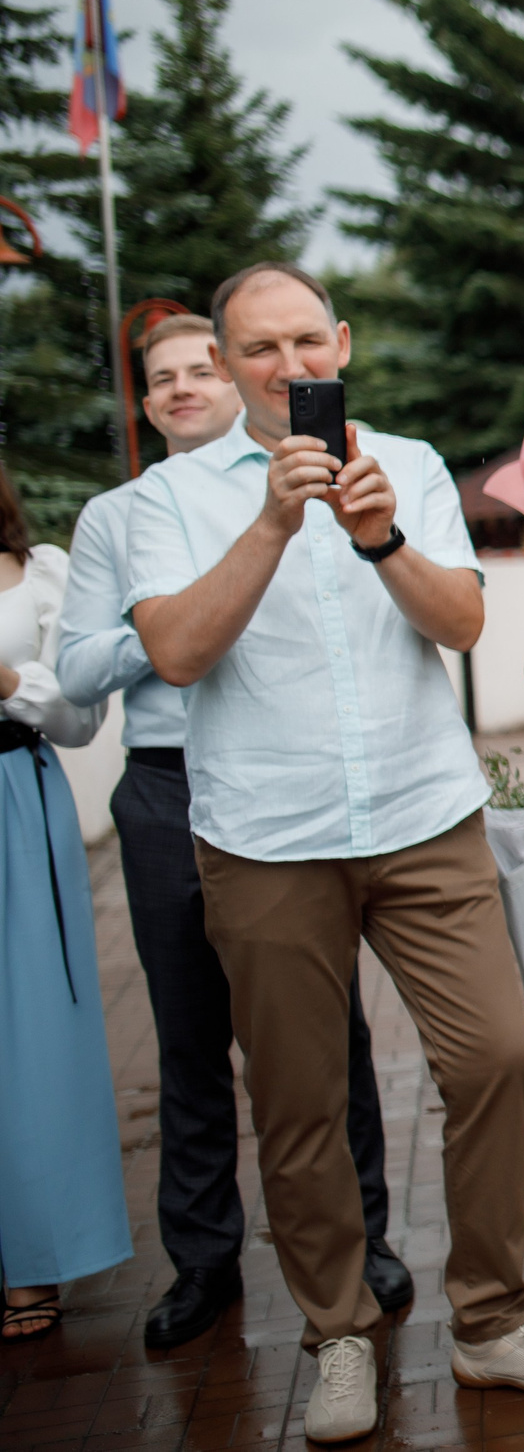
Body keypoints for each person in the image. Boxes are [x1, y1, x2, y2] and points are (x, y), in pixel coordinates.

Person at [125, 263, 524, 1441]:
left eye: (308, 342)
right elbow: (179, 656)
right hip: (265, 836)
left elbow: (460, 620)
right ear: (230, 364)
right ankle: (339, 1332)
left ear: (340, 341)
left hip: (422, 815)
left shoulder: (413, 465)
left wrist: (378, 533)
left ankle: (492, 1322)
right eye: (260, 350)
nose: (290, 370)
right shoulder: (166, 500)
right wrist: (273, 523)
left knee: (494, 1059)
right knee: (297, 1106)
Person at [57, 313, 413, 1351]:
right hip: (168, 787)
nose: (181, 388)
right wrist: (168, 624)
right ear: (144, 399)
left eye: (200, 368)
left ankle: (369, 1243)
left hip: (280, 778)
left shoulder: (314, 482)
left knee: (326, 1032)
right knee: (189, 1041)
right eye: (158, 377)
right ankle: (204, 1259)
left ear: (241, 379)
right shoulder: (119, 516)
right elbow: (77, 673)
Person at [0, 458, 124, 1342]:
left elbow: (80, 718)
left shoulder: (39, 571)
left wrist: (9, 683)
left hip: (13, 796)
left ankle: (32, 1261)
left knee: (30, 1034)